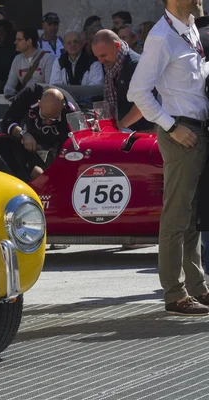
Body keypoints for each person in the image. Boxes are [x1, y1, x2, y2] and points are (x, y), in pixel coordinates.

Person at [127, 0, 209, 315]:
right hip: (182, 133)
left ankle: (196, 287)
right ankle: (175, 295)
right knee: (176, 217)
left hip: (195, 131)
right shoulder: (162, 36)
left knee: (191, 217)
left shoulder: (188, 29)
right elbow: (138, 91)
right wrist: (172, 127)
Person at [0, 83, 78, 181]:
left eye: (54, 118)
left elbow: (78, 140)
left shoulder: (72, 111)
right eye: (44, 117)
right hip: (30, 139)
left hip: (59, 145)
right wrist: (23, 134)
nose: (48, 122)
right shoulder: (30, 94)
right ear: (39, 103)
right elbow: (7, 121)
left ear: (62, 107)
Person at [92, 30, 154, 132]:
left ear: (117, 46)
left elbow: (144, 104)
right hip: (126, 133)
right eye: (97, 57)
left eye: (103, 55)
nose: (100, 61)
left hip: (144, 135)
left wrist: (119, 127)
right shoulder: (111, 65)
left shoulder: (136, 65)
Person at [4, 27, 54, 98]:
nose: (15, 42)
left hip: (43, 102)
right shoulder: (17, 59)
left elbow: (51, 86)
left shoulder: (48, 58)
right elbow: (9, 86)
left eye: (19, 40)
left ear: (29, 42)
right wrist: (12, 97)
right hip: (24, 102)